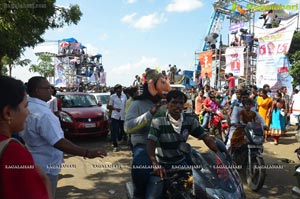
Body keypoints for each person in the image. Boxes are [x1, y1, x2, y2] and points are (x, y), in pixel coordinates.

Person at [20, 76, 107, 198]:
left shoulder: (27, 107)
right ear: (37, 90)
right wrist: (87, 152)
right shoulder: (43, 114)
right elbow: (58, 142)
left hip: (35, 162)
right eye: (48, 87)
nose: (51, 90)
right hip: (46, 167)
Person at [146, 90, 219, 197]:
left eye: (181, 103)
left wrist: (219, 155)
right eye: (174, 102)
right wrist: (155, 164)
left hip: (181, 163)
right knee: (153, 196)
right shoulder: (158, 121)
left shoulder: (189, 120)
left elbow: (206, 138)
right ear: (167, 104)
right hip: (163, 165)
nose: (178, 106)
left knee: (201, 190)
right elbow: (150, 143)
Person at [0, 76, 52, 199]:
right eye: (25, 106)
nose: (28, 112)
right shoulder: (13, 152)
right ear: (8, 113)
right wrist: (45, 182)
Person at [124, 69, 171, 199]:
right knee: (141, 169)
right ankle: (139, 194)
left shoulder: (167, 104)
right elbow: (128, 128)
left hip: (165, 146)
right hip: (143, 146)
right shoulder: (137, 104)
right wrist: (150, 113)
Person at [107, 84, 127, 152]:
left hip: (122, 116)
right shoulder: (112, 97)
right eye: (118, 89)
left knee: (122, 130)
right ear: (115, 90)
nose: (120, 90)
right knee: (114, 130)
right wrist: (115, 108)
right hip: (115, 116)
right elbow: (109, 106)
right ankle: (115, 144)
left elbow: (126, 104)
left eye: (120, 89)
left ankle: (120, 139)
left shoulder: (124, 96)